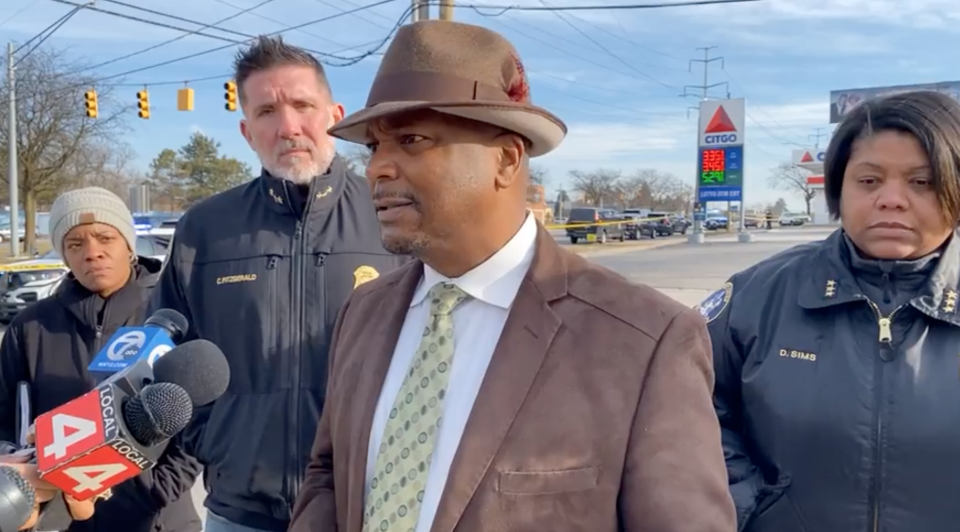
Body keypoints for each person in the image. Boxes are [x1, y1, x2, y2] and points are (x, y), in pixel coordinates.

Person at [290, 20, 736, 532]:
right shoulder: (363, 312)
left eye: (410, 140)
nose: (377, 169)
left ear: (505, 159)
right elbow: (329, 474)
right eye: (373, 148)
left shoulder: (647, 340)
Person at [148, 36, 409, 532]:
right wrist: (216, 445)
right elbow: (167, 357)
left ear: (335, 113)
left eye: (302, 105)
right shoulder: (205, 229)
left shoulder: (390, 216)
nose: (288, 127)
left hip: (368, 505)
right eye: (267, 111)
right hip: (239, 510)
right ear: (248, 131)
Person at [705, 90, 960, 532]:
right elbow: (687, 409)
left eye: (922, 182)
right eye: (868, 180)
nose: (891, 199)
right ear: (839, 189)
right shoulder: (756, 296)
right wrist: (751, 509)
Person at [0, 187, 202, 532]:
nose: (92, 253)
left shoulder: (173, 315)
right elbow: (6, 417)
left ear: (128, 244)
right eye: (75, 244)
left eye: (105, 238)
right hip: (59, 518)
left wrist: (154, 490)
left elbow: (201, 418)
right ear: (64, 254)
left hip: (157, 518)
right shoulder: (29, 326)